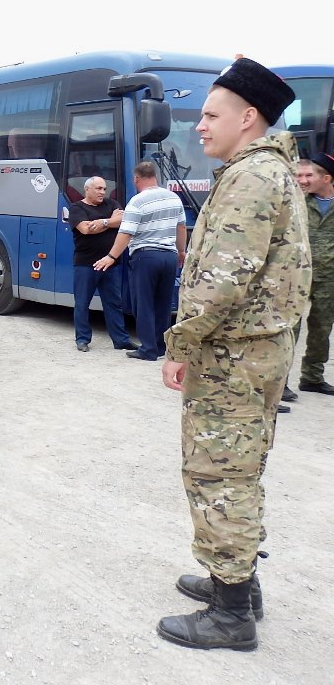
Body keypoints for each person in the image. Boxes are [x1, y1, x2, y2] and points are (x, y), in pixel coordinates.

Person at [158, 58, 309, 650]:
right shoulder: (271, 171)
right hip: (256, 352)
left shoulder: (251, 178)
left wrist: (180, 344)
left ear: (247, 118)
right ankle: (240, 585)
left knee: (218, 474)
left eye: (209, 115)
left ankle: (231, 614)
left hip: (232, 357)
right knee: (240, 470)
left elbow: (222, 281)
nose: (199, 126)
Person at [93, 161, 186, 361]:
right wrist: (181, 252)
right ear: (156, 177)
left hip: (146, 257)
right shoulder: (174, 198)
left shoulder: (137, 201)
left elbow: (126, 232)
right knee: (163, 304)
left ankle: (148, 350)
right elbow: (181, 227)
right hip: (169, 257)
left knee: (143, 303)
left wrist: (111, 256)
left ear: (136, 179)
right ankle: (160, 347)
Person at [68, 177, 137, 352]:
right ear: (87, 189)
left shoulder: (112, 203)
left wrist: (101, 222)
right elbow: (85, 229)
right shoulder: (77, 208)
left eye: (104, 189)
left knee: (114, 303)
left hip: (110, 264)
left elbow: (123, 221)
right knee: (82, 303)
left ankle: (121, 340)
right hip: (86, 265)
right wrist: (110, 222)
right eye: (98, 188)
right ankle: (82, 339)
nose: (102, 192)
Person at [295, 153, 334, 395]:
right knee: (290, 328)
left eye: (309, 175)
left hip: (328, 277)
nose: (303, 180)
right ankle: (279, 384)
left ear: (326, 178)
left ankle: (312, 377)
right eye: (299, 175)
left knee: (321, 328)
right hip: (298, 274)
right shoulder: (297, 201)